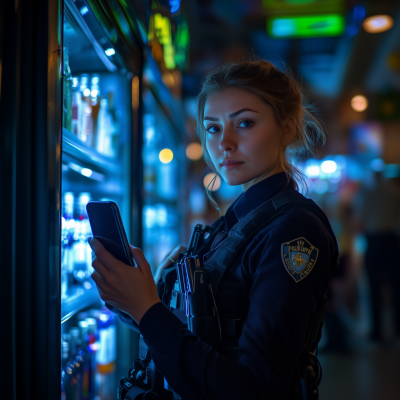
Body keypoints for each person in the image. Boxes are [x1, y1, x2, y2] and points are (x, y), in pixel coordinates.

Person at [88, 60, 338, 400]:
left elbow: (254, 390)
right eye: (212, 128)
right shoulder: (233, 223)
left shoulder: (294, 230)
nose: (225, 143)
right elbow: (207, 337)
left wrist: (148, 310)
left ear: (288, 128)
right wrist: (138, 301)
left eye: (245, 123)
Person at [359, 171, 400, 341]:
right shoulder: (394, 192)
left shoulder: (366, 194)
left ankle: (377, 331)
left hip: (374, 240)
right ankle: (397, 328)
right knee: (396, 286)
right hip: (391, 239)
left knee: (374, 287)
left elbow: (360, 218)